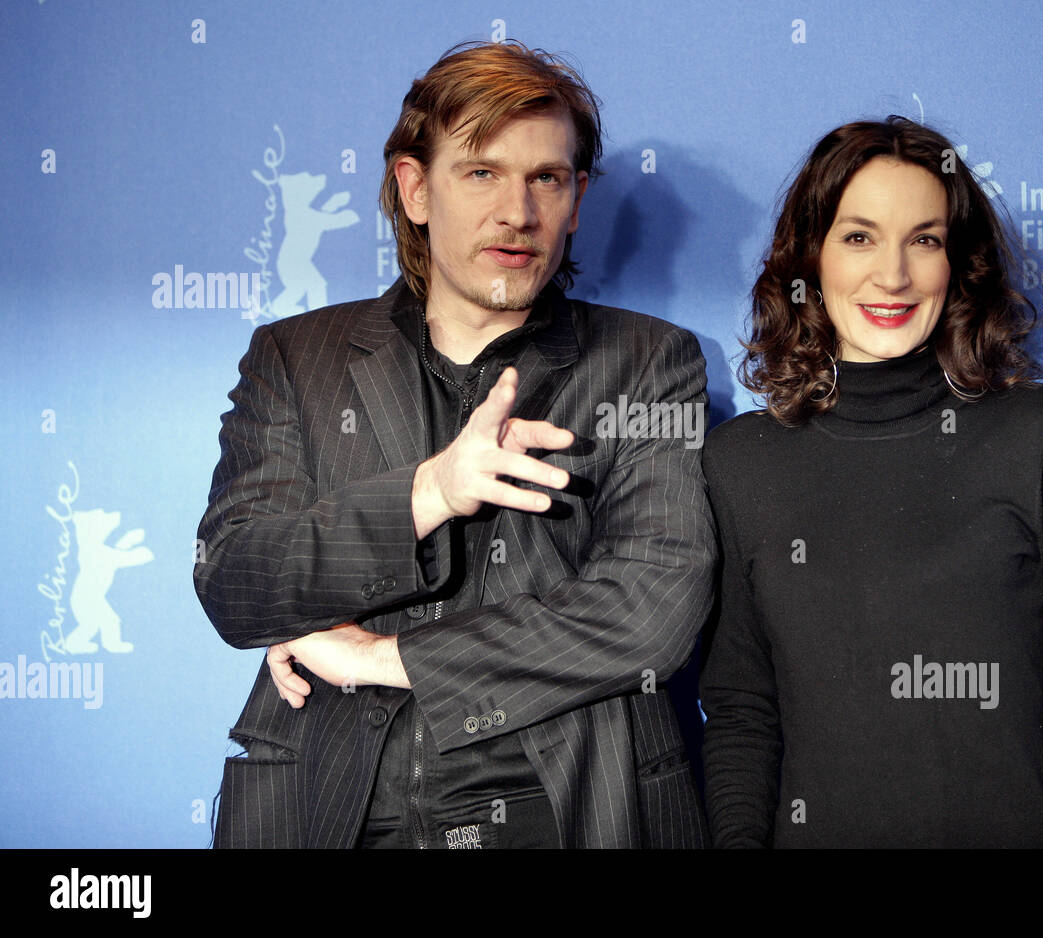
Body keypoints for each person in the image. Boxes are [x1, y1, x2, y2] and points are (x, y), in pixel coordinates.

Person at [194, 40, 715, 849]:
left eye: (547, 177)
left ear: (577, 198)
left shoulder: (650, 362)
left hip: (565, 803)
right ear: (414, 188)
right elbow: (236, 582)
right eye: (482, 172)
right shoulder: (298, 358)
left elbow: (651, 614)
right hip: (328, 803)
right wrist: (429, 493)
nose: (518, 211)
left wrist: (383, 656)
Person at [699, 117, 1043, 848]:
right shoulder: (742, 462)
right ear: (809, 258)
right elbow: (743, 714)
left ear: (957, 262)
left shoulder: (1041, 432)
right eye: (859, 237)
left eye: (925, 239)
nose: (894, 275)